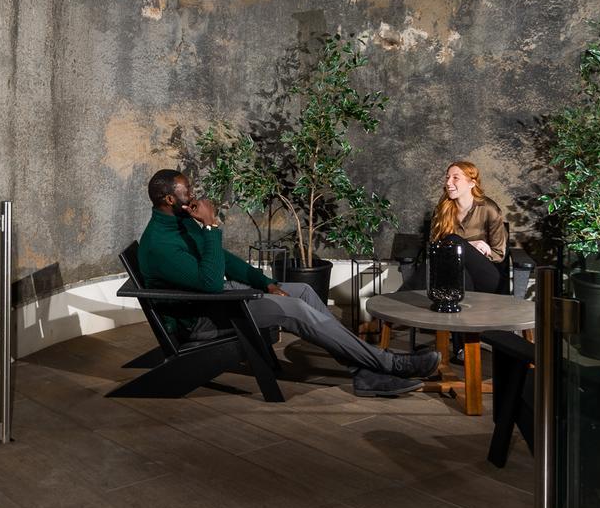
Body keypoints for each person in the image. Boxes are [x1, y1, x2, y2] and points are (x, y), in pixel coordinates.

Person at [136, 168, 439, 397]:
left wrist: (265, 283)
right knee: (294, 309)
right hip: (203, 317)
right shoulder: (161, 244)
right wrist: (212, 226)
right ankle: (389, 364)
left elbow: (224, 262)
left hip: (218, 301)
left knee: (303, 291)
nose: (193, 195)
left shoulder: (180, 223)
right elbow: (212, 283)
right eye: (186, 191)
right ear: (168, 199)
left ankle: (364, 371)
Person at [430, 161, 509, 293]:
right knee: (455, 269)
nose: (448, 183)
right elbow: (433, 248)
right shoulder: (441, 210)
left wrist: (477, 250)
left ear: (471, 183)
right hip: (456, 275)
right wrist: (469, 245)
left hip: (486, 276)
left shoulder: (489, 208)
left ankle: (402, 296)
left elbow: (499, 254)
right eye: (447, 177)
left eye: (455, 178)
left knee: (452, 239)